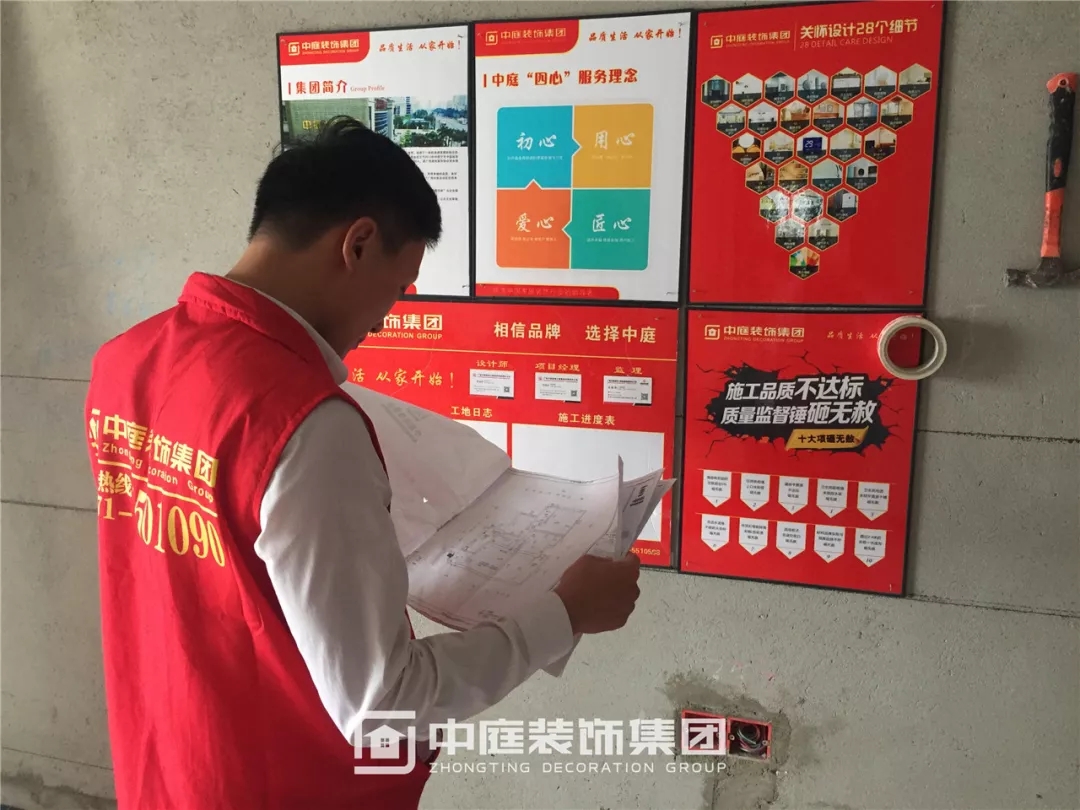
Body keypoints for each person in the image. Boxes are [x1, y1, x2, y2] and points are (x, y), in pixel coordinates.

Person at [84, 116, 642, 810]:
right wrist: (567, 612)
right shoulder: (302, 422)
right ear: (358, 243)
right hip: (285, 784)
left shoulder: (125, 361)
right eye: (398, 288)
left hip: (171, 766)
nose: (383, 320)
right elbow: (384, 704)